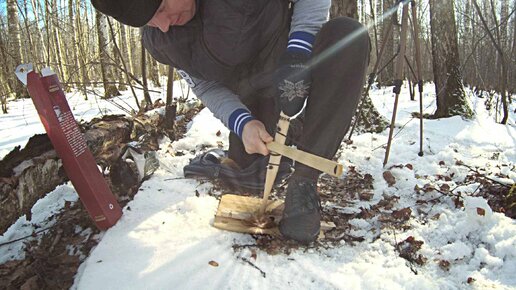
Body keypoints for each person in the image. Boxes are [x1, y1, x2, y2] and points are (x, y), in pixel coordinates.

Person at [91, 0, 370, 243]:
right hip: (252, 103)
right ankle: (261, 148)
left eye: (161, 7)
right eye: (150, 21)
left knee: (347, 35)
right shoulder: (160, 41)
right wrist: (243, 123)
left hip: (295, 71)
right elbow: (206, 87)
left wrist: (298, 50)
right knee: (250, 177)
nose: (163, 25)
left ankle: (305, 182)